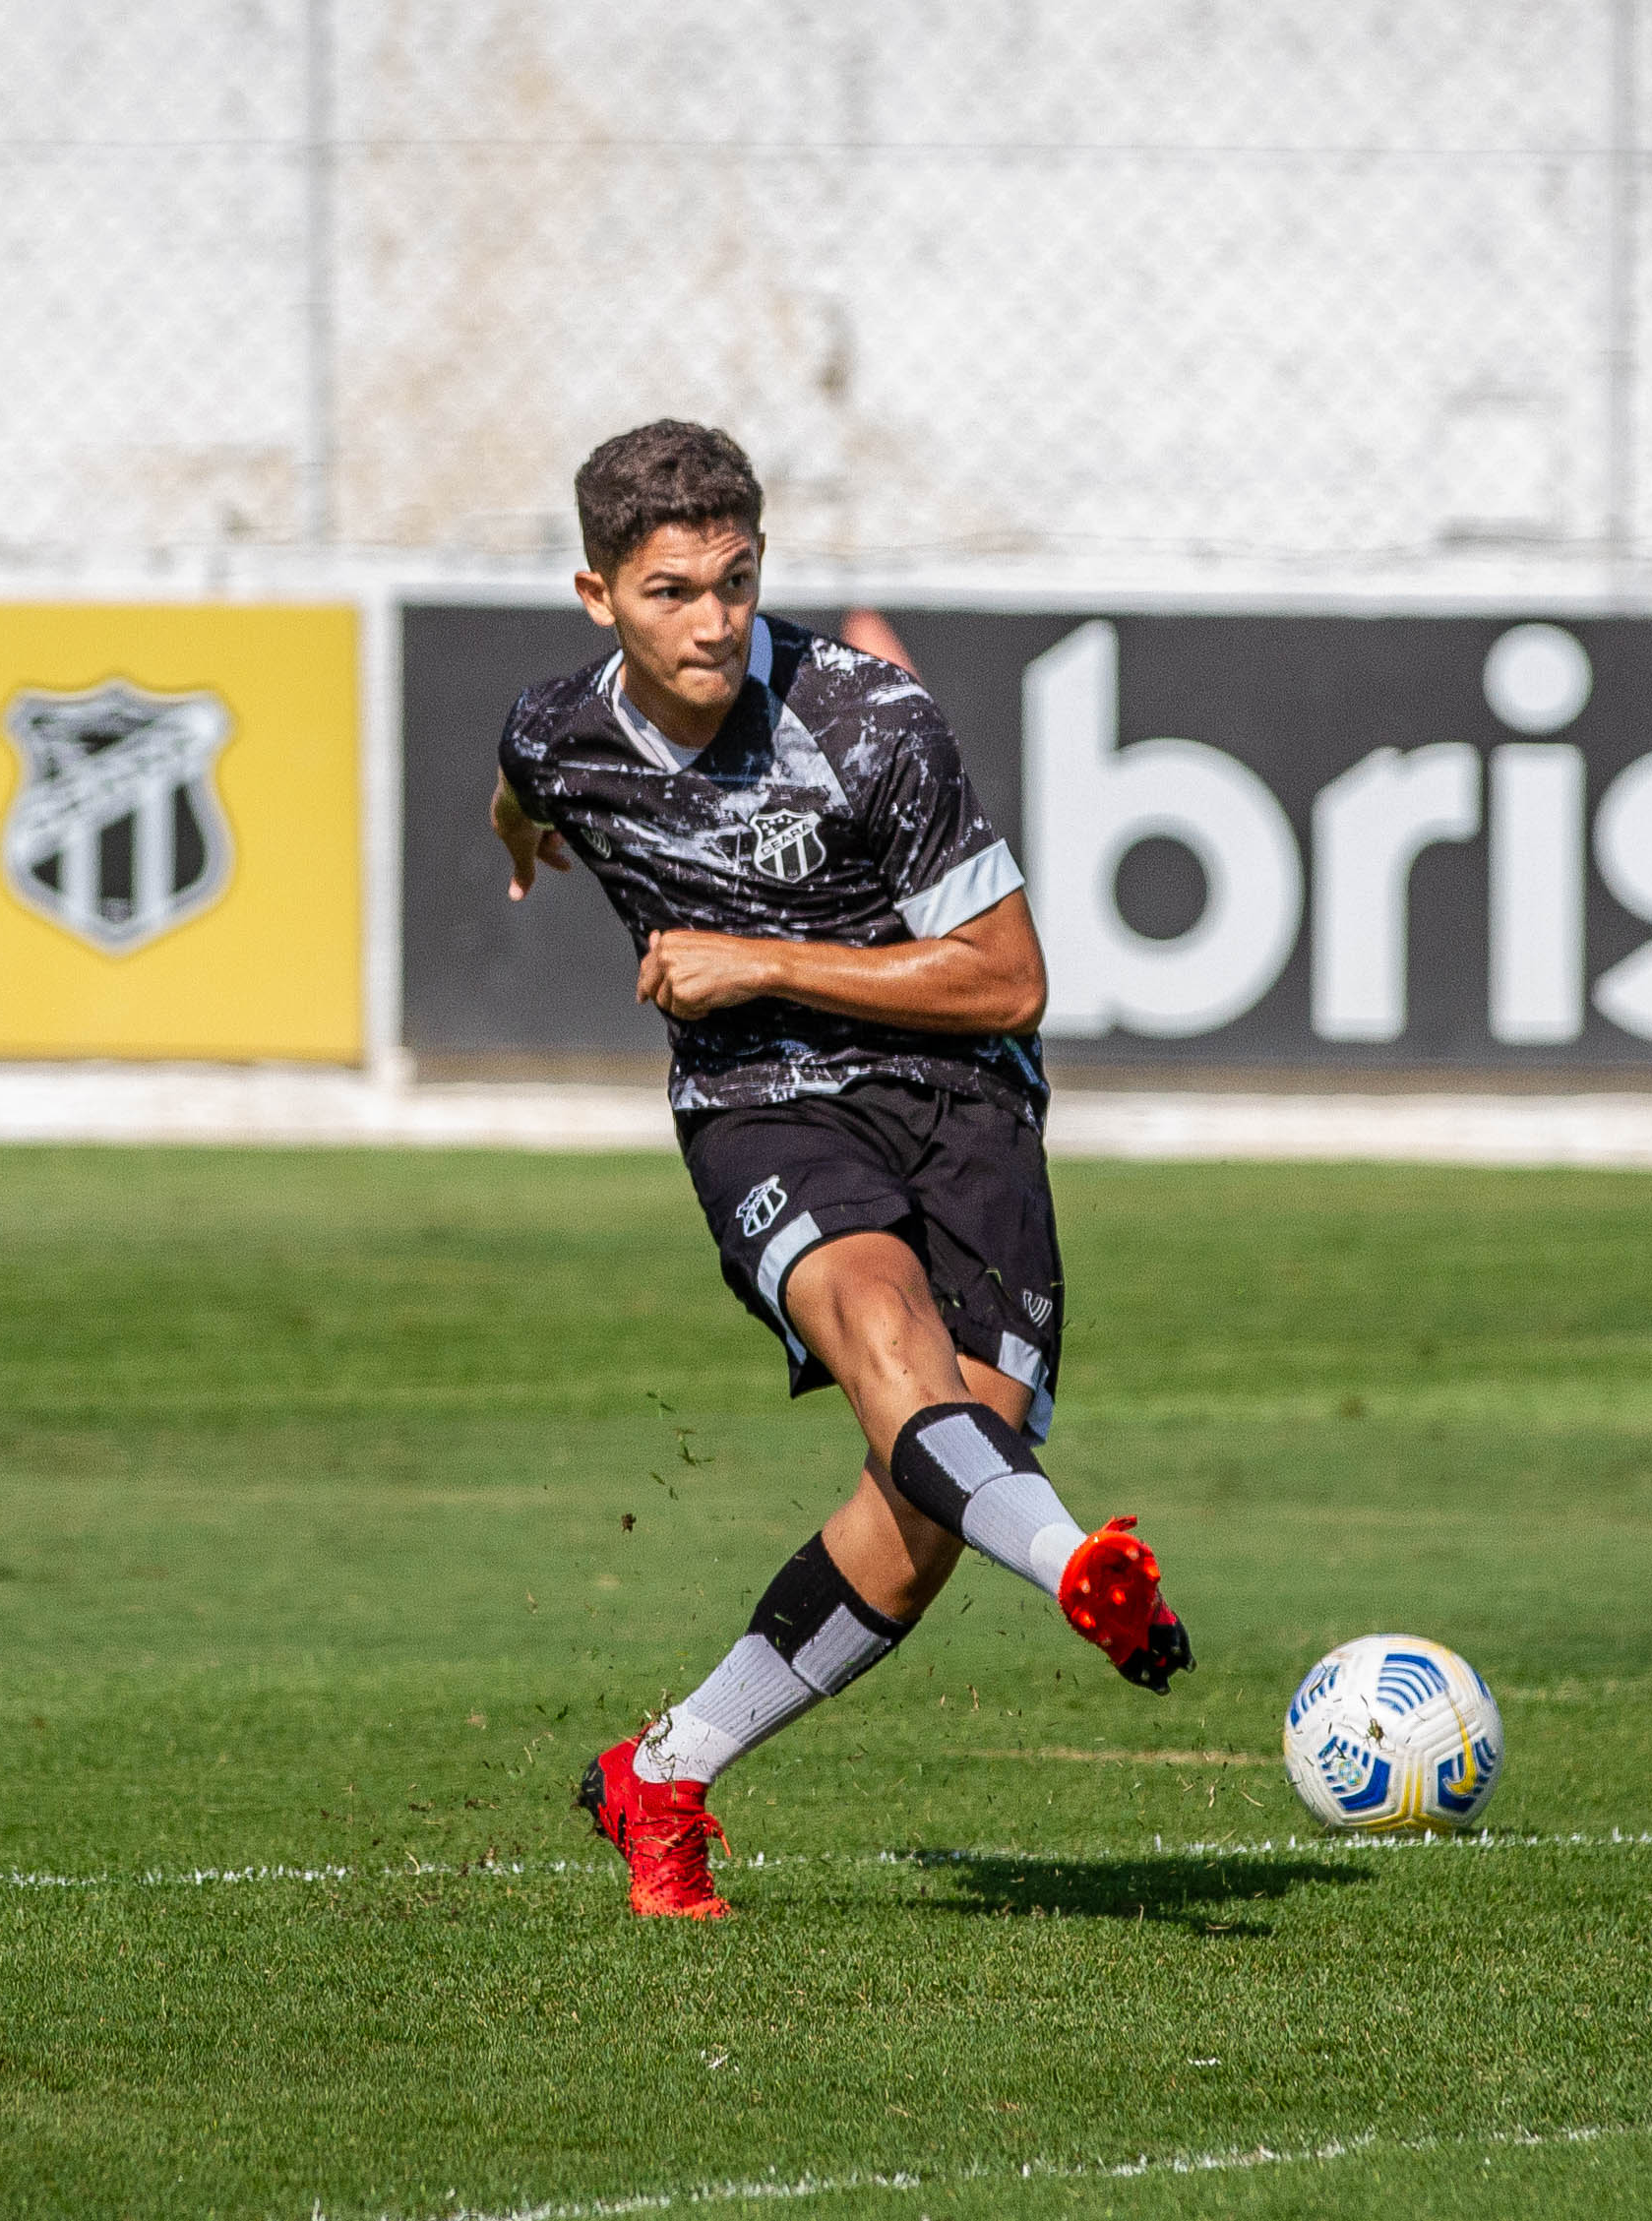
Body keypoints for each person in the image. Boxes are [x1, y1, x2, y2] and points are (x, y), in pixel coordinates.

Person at [491, 420, 1191, 1922]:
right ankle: (1080, 1568)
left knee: (927, 1504)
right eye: (671, 591)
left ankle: (662, 1770)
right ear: (596, 595)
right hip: (760, 1109)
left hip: (962, 1101)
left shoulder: (870, 721)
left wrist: (752, 958)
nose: (712, 621)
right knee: (884, 1338)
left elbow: (1009, 980)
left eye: (736, 581)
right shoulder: (554, 734)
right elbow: (524, 786)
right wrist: (519, 838)